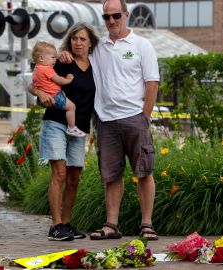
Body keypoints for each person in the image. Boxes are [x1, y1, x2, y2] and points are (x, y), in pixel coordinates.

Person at [60, 0, 160, 241]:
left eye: (116, 15)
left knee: (144, 172)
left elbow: (152, 83)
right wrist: (63, 53)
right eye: (107, 17)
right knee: (111, 176)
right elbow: (77, 52)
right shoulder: (98, 48)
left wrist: (144, 118)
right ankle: (111, 225)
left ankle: (147, 224)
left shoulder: (141, 45)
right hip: (106, 121)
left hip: (135, 118)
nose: (112, 21)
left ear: (126, 15)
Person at [29, 23, 99, 241]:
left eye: (83, 39)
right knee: (59, 173)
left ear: (90, 43)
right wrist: (40, 94)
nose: (78, 43)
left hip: (79, 129)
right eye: (74, 38)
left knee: (74, 179)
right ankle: (55, 225)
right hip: (56, 123)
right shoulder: (59, 62)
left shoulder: (98, 66)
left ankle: (66, 224)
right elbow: (32, 84)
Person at [31, 41, 85, 137]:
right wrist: (68, 79)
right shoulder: (47, 69)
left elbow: (34, 84)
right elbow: (59, 80)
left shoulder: (36, 69)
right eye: (52, 57)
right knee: (71, 107)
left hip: (42, 101)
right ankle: (72, 128)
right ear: (41, 58)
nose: (55, 60)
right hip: (55, 97)